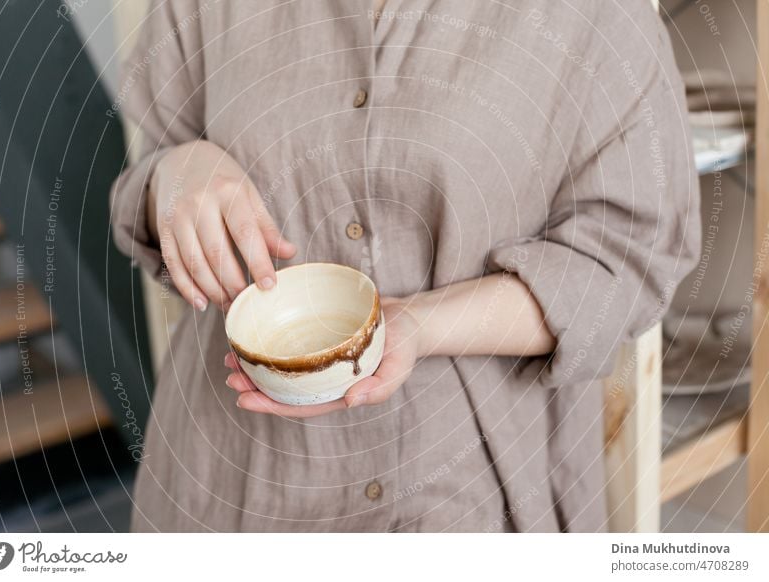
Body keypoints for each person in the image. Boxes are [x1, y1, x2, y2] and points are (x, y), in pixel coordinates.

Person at [110, 0, 700, 532]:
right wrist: (177, 174)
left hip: (467, 498)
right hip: (230, 485)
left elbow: (630, 258)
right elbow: (141, 186)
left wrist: (419, 323)